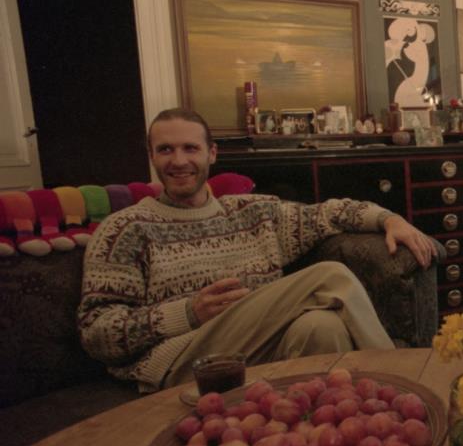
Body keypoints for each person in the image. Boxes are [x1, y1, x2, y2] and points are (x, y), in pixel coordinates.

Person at [78, 108, 439, 392]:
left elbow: (330, 213)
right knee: (330, 277)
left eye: (190, 148)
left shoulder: (253, 213)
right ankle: (405, 385)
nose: (179, 161)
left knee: (321, 326)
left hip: (262, 349)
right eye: (165, 150)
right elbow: (96, 333)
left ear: (212, 153)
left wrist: (390, 219)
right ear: (152, 156)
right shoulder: (125, 229)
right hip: (185, 362)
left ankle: (322, 433)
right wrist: (187, 313)